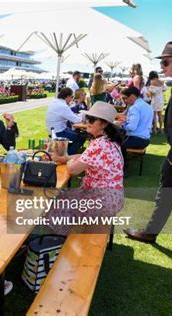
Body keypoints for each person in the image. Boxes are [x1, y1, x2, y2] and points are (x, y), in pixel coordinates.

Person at [124, 42, 172, 266]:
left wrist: (171, 158)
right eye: (161, 62)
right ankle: (150, 233)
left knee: (164, 198)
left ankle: (149, 233)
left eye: (165, 62)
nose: (162, 66)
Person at [49, 101, 125, 235]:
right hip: (111, 197)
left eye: (92, 119)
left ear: (104, 124)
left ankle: (62, 241)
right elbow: (85, 156)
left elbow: (73, 170)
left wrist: (69, 161)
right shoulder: (107, 140)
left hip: (101, 199)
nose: (87, 121)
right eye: (87, 118)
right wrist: (63, 158)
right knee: (62, 197)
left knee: (54, 203)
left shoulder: (99, 145)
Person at [118, 86, 153, 169]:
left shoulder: (135, 108)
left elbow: (131, 127)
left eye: (125, 98)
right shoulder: (147, 105)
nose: (124, 101)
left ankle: (123, 167)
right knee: (117, 140)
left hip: (137, 139)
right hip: (145, 139)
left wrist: (120, 125)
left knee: (114, 143)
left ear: (133, 96)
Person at [45, 87, 84, 155]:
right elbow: (76, 120)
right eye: (72, 97)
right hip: (58, 132)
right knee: (80, 138)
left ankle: (63, 151)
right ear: (68, 96)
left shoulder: (54, 102)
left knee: (74, 133)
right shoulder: (63, 106)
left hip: (51, 130)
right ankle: (66, 156)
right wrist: (83, 116)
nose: (72, 99)